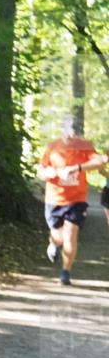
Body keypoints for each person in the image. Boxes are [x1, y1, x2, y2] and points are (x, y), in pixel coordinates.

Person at [38, 119, 108, 285]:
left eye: (74, 131)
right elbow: (41, 170)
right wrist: (51, 172)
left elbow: (100, 162)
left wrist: (76, 168)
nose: (71, 134)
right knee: (58, 237)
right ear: (62, 130)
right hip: (54, 199)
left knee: (70, 235)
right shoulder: (52, 147)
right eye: (67, 130)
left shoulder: (84, 146)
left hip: (76, 199)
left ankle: (65, 272)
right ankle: (54, 244)